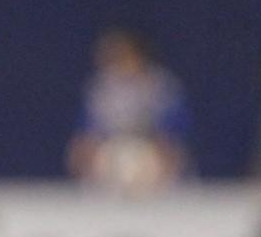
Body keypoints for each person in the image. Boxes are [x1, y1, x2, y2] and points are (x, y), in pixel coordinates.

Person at [67, 27, 191, 194]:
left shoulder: (160, 85)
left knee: (145, 162)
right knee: (105, 159)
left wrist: (167, 152)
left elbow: (173, 131)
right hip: (112, 149)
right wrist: (83, 150)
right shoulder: (102, 87)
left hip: (150, 149)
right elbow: (88, 130)